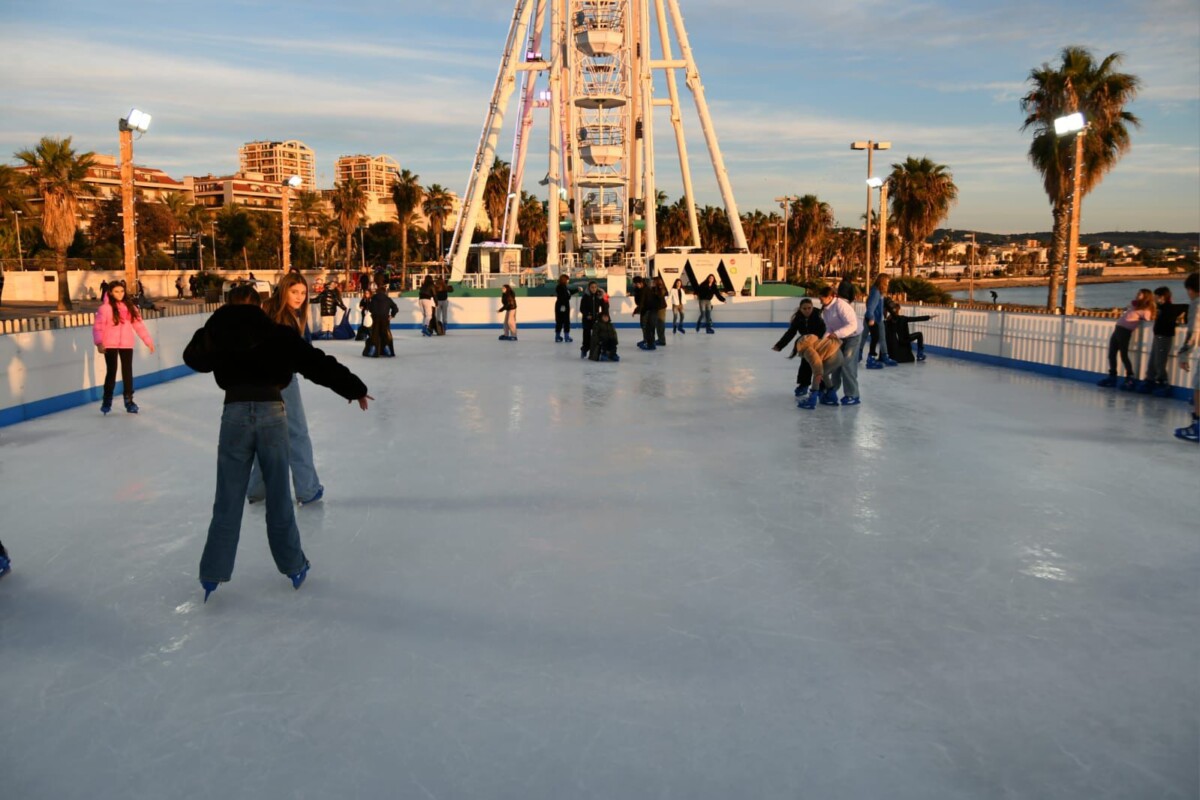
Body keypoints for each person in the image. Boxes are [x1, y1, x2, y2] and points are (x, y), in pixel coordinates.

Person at [183, 284, 371, 601]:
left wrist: (215, 326)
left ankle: (212, 575)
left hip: (234, 415)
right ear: (260, 306)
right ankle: (294, 566)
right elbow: (317, 363)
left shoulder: (219, 332)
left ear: (229, 305)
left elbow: (194, 359)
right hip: (272, 414)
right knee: (280, 497)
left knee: (227, 501)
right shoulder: (276, 333)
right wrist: (354, 388)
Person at [245, 273, 325, 507]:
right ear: (284, 291)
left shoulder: (268, 311)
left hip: (258, 384)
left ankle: (257, 491)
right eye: (294, 292)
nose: (299, 297)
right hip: (281, 382)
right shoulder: (286, 318)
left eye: (303, 293)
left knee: (268, 436)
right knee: (297, 434)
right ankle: (308, 489)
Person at [92, 280, 156, 414]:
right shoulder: (105, 308)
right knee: (111, 371)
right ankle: (107, 399)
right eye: (116, 291)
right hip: (109, 344)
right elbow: (98, 328)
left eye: (122, 291)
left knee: (127, 372)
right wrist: (99, 343)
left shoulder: (131, 307)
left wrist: (148, 341)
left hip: (126, 343)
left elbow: (139, 326)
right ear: (110, 292)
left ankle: (129, 400)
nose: (120, 294)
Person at [1097, 288, 1155, 389]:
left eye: (1140, 294)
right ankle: (1112, 375)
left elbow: (1149, 320)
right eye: (1138, 293)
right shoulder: (1134, 305)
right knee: (1111, 353)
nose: (1137, 295)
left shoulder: (1145, 309)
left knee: (1123, 354)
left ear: (1146, 296)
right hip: (1118, 329)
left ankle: (1130, 376)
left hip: (1125, 331)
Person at [772, 297, 827, 397]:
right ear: (800, 309)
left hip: (819, 342)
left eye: (809, 308)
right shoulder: (798, 318)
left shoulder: (818, 315)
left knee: (819, 365)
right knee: (805, 363)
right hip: (806, 343)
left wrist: (815, 339)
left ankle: (822, 386)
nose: (807, 311)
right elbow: (790, 333)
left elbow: (824, 330)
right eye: (804, 308)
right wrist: (779, 345)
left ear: (812, 307)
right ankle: (804, 384)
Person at [817, 284, 862, 406]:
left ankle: (853, 395)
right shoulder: (825, 309)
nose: (820, 299)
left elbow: (853, 325)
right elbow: (829, 327)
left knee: (847, 365)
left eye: (823, 297)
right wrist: (823, 340)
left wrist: (836, 334)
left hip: (853, 336)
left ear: (831, 296)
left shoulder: (841, 306)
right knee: (835, 364)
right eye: (820, 297)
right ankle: (832, 391)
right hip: (840, 337)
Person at [1140, 286, 1189, 395]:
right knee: (1152, 360)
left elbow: (1186, 306)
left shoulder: (1170, 307)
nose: (1155, 299)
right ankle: (1150, 379)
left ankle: (1163, 382)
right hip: (1157, 336)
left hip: (1165, 337)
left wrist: (1185, 320)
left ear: (1162, 297)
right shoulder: (1159, 307)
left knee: (1159, 361)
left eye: (1156, 296)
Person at [1173, 272, 1200, 442]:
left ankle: (1198, 426)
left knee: (1199, 387)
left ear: (1191, 289)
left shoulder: (1197, 304)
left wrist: (1184, 355)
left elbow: (1194, 332)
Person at [792, 335, 846, 410]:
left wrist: (818, 373)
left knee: (817, 374)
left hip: (832, 357)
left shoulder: (807, 349)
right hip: (839, 355)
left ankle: (811, 401)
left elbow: (816, 361)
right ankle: (832, 397)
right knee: (824, 374)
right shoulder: (815, 342)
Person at [861, 274, 896, 368]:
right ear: (883, 281)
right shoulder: (876, 292)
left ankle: (884, 356)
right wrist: (871, 318)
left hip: (876, 318)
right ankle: (869, 357)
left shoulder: (878, 292)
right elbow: (871, 306)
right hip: (874, 319)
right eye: (887, 281)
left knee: (877, 337)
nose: (888, 283)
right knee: (875, 337)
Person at [365, 284, 398, 357]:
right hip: (384, 318)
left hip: (375, 318)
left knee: (375, 335)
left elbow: (370, 308)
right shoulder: (388, 299)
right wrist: (392, 315)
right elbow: (395, 308)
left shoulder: (373, 298)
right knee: (384, 334)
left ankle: (372, 351)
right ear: (384, 292)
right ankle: (388, 351)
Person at [578, 280, 608, 359]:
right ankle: (584, 349)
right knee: (586, 336)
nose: (594, 289)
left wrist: (603, 315)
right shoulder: (585, 296)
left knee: (597, 336)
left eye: (595, 287)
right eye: (592, 287)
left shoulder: (599, 295)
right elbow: (582, 308)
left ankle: (597, 351)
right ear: (589, 288)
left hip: (596, 319)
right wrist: (587, 315)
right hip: (587, 320)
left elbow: (604, 306)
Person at [631, 276, 657, 351]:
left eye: (636, 284)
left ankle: (650, 343)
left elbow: (642, 302)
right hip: (645, 310)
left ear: (640, 283)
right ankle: (646, 340)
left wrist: (636, 311)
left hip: (649, 310)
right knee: (644, 326)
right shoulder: (640, 290)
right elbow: (638, 302)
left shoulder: (645, 290)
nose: (635, 285)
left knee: (647, 327)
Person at [554, 274, 578, 343]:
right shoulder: (560, 287)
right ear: (564, 280)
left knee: (564, 321)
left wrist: (577, 290)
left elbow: (569, 292)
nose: (568, 281)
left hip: (563, 305)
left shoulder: (564, 287)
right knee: (562, 321)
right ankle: (562, 336)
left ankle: (561, 336)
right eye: (567, 279)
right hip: (562, 306)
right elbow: (565, 296)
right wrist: (563, 306)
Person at [652, 275, 670, 346]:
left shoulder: (660, 288)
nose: (652, 282)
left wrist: (654, 290)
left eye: (653, 281)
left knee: (660, 324)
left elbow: (660, 295)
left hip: (661, 308)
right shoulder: (655, 288)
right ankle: (660, 339)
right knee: (658, 324)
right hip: (657, 308)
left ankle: (662, 340)